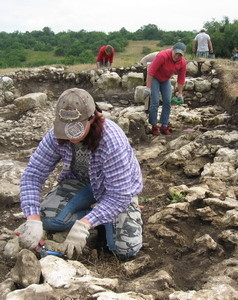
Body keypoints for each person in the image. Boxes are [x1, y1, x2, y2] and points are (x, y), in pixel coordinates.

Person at [19, 88, 143, 260]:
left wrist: (85, 224)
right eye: (65, 128)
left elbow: (119, 195)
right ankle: (101, 219)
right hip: (79, 182)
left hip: (115, 192)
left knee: (125, 250)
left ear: (92, 118)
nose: (69, 136)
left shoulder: (112, 141)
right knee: (47, 218)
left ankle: (106, 219)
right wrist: (32, 217)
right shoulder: (55, 136)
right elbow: (33, 174)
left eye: (75, 128)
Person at [144, 42, 187, 136]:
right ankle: (154, 125)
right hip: (155, 77)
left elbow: (181, 78)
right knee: (155, 102)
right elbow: (151, 71)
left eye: (180, 55)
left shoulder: (182, 62)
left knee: (167, 101)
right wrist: (148, 88)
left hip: (165, 79)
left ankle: (164, 124)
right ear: (172, 50)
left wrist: (180, 93)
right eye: (176, 53)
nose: (177, 56)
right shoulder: (162, 56)